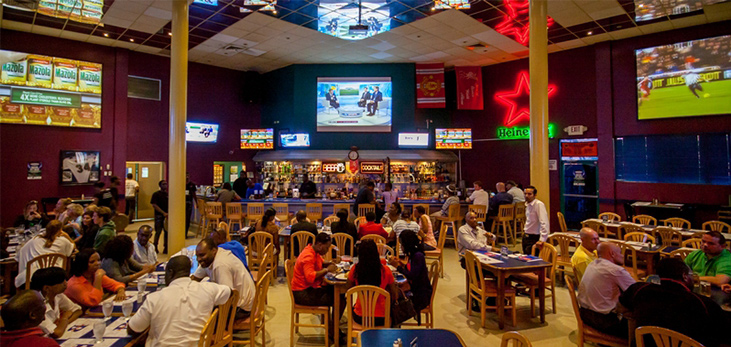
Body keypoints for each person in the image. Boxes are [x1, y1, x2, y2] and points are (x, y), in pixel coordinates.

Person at [619, 258, 729, 347]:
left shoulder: (639, 289)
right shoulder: (704, 303)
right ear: (684, 276)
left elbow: (621, 308)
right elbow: (723, 331)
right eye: (691, 274)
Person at [128, 255, 232, 346]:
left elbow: (133, 329)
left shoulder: (154, 298)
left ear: (170, 272)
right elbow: (230, 292)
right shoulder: (208, 289)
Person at [577, 242, 636, 338]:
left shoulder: (592, 264)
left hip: (585, 315)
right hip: (605, 322)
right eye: (620, 253)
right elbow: (637, 291)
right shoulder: (615, 270)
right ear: (612, 254)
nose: (622, 256)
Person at [291, 233, 342, 341]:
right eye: (327, 247)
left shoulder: (313, 250)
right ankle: (333, 330)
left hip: (309, 289)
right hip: (302, 293)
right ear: (319, 245)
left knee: (338, 293)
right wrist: (327, 270)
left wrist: (330, 263)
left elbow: (321, 262)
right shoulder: (308, 256)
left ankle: (333, 328)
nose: (327, 250)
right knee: (339, 298)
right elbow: (310, 277)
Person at [193, 238, 255, 320]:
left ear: (214, 250)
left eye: (202, 255)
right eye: (197, 256)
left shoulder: (221, 265)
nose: (199, 259)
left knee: (199, 316)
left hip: (241, 308)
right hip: (236, 300)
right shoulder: (209, 259)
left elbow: (227, 297)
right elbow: (195, 278)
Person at [347, 239, 399, 326]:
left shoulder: (355, 269)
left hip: (360, 316)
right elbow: (395, 296)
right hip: (382, 317)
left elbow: (348, 288)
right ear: (376, 253)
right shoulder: (385, 270)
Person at [15, 220, 75, 289]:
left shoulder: (35, 240)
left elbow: (22, 251)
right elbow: (73, 247)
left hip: (33, 276)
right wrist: (67, 236)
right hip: (54, 275)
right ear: (60, 230)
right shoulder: (63, 241)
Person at [389, 230, 432, 322]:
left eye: (402, 244)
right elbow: (414, 272)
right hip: (417, 289)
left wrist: (397, 267)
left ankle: (394, 322)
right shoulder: (414, 255)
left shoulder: (418, 256)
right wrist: (401, 264)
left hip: (421, 295)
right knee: (394, 292)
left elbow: (412, 275)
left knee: (392, 296)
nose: (401, 247)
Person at [29, 267, 82, 338]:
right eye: (61, 282)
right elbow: (56, 333)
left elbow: (78, 311)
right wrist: (64, 318)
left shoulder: (57, 295)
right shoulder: (37, 305)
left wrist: (61, 325)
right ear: (47, 288)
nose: (65, 284)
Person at [522, 186, 549, 254]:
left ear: (535, 195)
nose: (527, 196)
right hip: (526, 235)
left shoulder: (539, 204)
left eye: (529, 194)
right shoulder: (527, 205)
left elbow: (544, 222)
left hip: (534, 236)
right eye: (525, 194)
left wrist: (542, 239)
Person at [151, 180, 169, 254]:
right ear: (160, 185)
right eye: (163, 184)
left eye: (166, 184)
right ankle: (155, 246)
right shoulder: (156, 194)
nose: (165, 185)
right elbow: (154, 205)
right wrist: (163, 212)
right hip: (159, 215)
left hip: (167, 216)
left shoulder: (168, 194)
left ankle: (166, 247)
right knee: (158, 232)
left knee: (166, 232)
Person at [185, 173, 197, 237]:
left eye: (187, 175)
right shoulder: (180, 183)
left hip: (189, 203)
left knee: (187, 219)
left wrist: (196, 203)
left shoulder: (192, 185)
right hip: (181, 203)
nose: (186, 177)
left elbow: (194, 194)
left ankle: (185, 233)